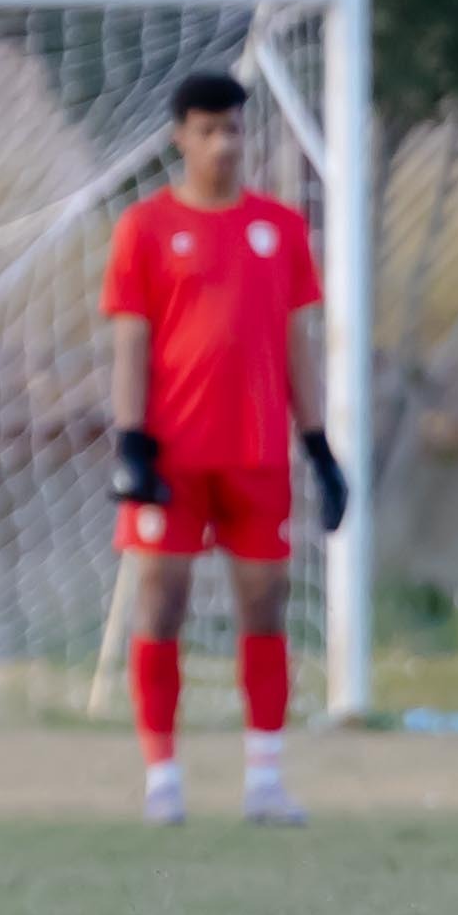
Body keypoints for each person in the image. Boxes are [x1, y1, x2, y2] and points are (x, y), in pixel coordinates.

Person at [100, 71, 349, 827]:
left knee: (265, 605)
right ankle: (163, 779)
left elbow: (297, 343)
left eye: (235, 128)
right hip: (173, 454)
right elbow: (132, 342)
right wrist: (131, 440)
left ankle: (265, 778)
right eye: (209, 129)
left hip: (258, 453)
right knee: (161, 602)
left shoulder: (280, 228)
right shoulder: (144, 228)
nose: (224, 142)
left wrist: (320, 447)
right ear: (181, 136)